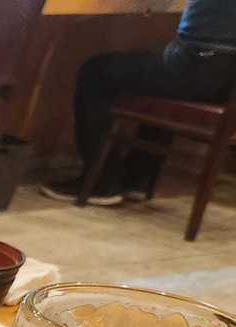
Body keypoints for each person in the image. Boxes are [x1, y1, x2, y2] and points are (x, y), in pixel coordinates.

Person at [40, 0, 236, 206]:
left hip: (202, 62)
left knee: (94, 71)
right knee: (159, 64)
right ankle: (136, 178)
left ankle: (102, 182)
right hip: (225, 83)